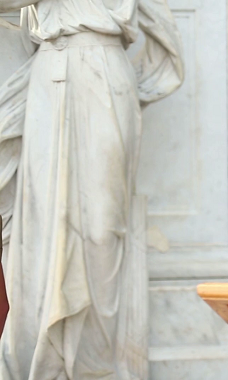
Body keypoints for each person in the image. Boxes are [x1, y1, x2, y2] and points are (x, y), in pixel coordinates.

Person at [0, 2, 183, 378]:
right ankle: (47, 353)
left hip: (106, 68)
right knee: (43, 222)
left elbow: (165, 36)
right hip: (49, 70)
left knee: (103, 226)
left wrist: (136, 86)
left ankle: (98, 364)